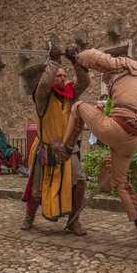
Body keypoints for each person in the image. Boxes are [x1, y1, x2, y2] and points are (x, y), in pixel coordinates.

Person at [50, 48, 137, 247]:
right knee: (121, 183)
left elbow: (95, 57)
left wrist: (76, 58)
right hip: (133, 139)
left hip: (116, 128)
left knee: (77, 107)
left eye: (107, 76)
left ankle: (65, 150)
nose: (106, 78)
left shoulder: (124, 67)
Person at [21, 46, 90, 236]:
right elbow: (43, 85)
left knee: (80, 181)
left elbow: (84, 81)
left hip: (68, 149)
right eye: (58, 76)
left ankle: (74, 221)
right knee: (36, 188)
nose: (62, 78)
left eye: (63, 76)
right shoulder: (42, 97)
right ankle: (29, 216)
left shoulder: (70, 95)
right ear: (51, 77)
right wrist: (53, 62)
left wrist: (75, 61)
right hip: (46, 149)